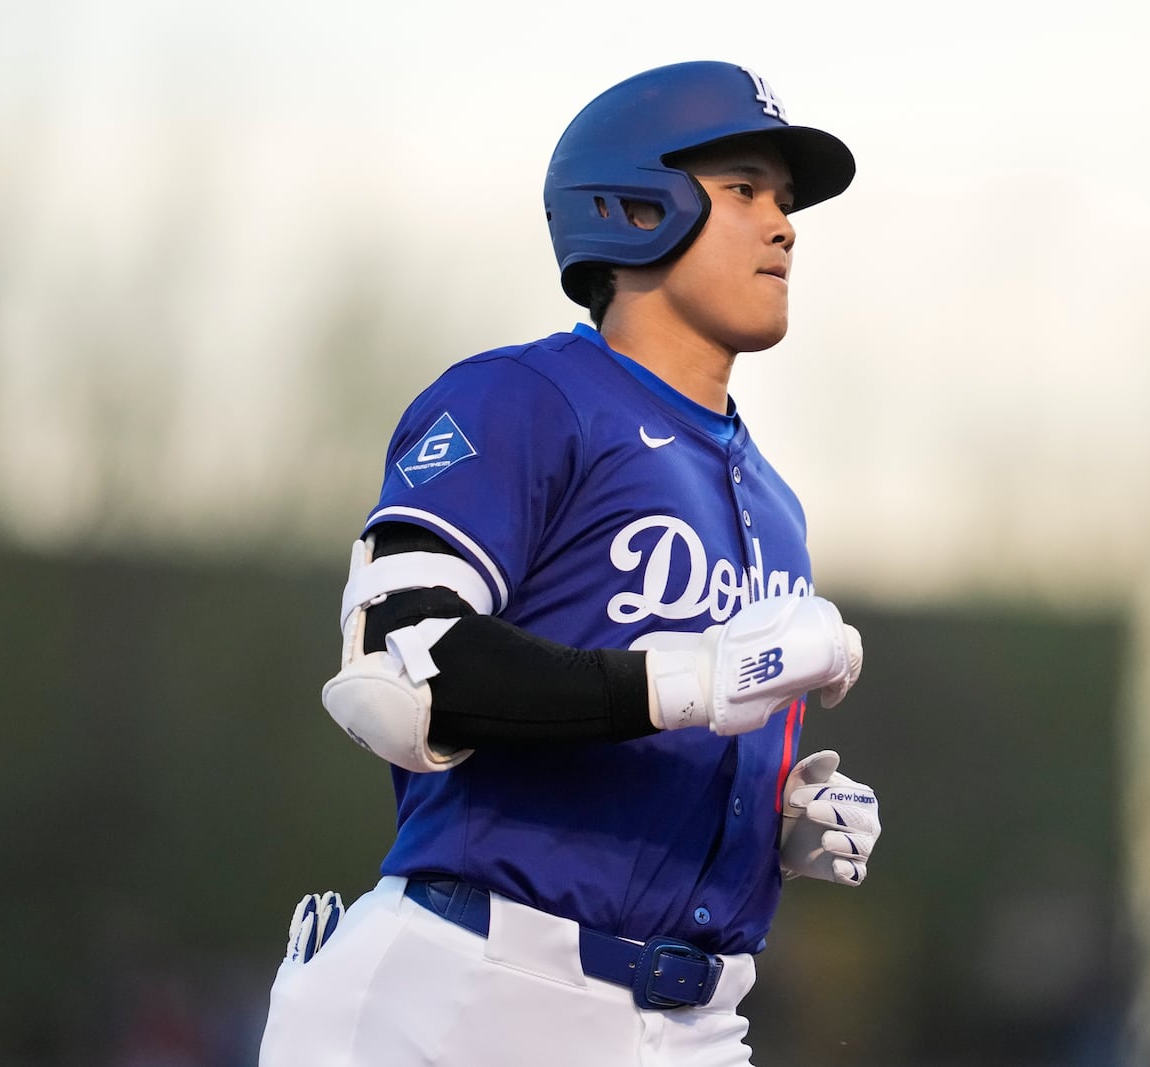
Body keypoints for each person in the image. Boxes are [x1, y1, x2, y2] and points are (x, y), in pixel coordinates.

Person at [258, 60, 883, 1067]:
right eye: (743, 189)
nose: (784, 223)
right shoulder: (528, 398)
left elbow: (654, 722)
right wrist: (697, 678)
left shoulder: (772, 497)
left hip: (693, 1019)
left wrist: (769, 820)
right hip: (466, 994)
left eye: (784, 199)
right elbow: (398, 674)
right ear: (636, 205)